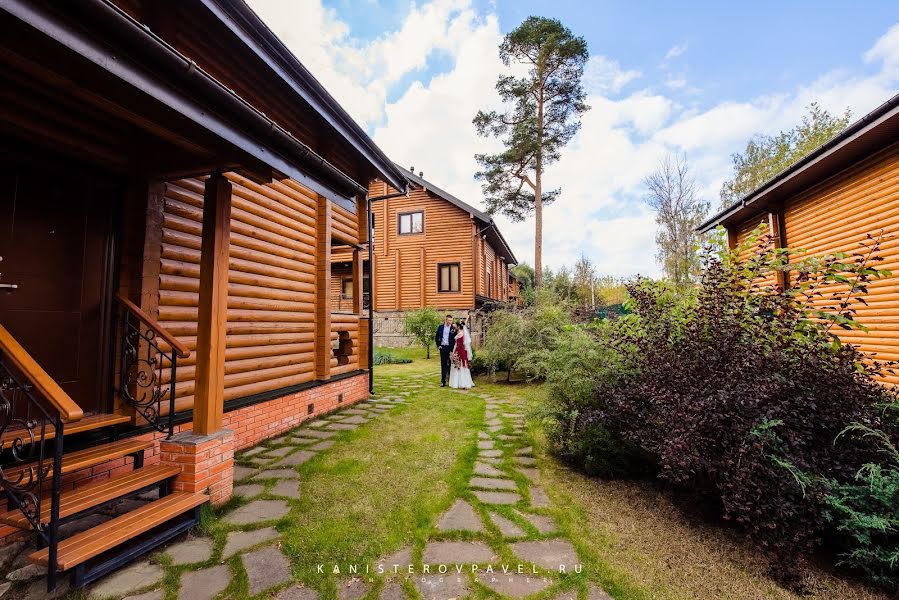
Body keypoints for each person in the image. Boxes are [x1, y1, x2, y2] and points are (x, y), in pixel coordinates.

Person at [449, 317, 474, 389]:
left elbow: (465, 345)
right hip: (457, 350)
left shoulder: (462, 334)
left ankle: (463, 382)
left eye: (456, 326)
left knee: (461, 365)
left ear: (459, 326)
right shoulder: (459, 333)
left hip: (461, 351)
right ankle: (458, 382)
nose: (455, 326)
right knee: (457, 365)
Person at [435, 314, 456, 387]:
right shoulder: (440, 327)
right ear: (446, 320)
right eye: (449, 320)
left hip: (450, 349)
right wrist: (439, 346)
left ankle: (451, 380)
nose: (450, 322)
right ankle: (443, 381)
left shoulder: (453, 328)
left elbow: (455, 338)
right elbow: (437, 336)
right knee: (443, 365)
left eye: (451, 320)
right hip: (443, 348)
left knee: (451, 365)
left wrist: (453, 349)